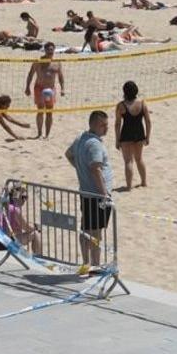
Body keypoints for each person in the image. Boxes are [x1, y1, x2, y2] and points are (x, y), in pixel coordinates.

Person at [64, 111, 114, 267]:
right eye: (102, 125)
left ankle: (86, 262)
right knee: (95, 232)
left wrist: (80, 168)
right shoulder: (94, 144)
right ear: (92, 124)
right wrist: (104, 194)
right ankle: (95, 265)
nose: (106, 128)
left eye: (107, 124)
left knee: (86, 228)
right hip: (96, 195)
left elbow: (68, 154)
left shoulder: (80, 138)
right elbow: (95, 169)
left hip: (86, 192)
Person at [114, 81, 151, 190]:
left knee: (128, 161)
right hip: (139, 133)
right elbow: (148, 121)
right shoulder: (142, 103)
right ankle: (144, 182)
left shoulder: (121, 106)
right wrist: (147, 136)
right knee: (139, 159)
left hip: (126, 134)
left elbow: (117, 124)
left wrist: (117, 139)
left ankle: (129, 186)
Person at [24, 42, 65, 139]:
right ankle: (39, 133)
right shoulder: (38, 61)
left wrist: (62, 88)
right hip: (39, 88)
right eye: (48, 50)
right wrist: (27, 87)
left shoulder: (57, 63)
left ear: (54, 50)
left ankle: (47, 135)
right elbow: (30, 74)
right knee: (40, 111)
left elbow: (61, 77)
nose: (50, 52)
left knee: (49, 112)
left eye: (52, 50)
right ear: (45, 50)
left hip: (51, 89)